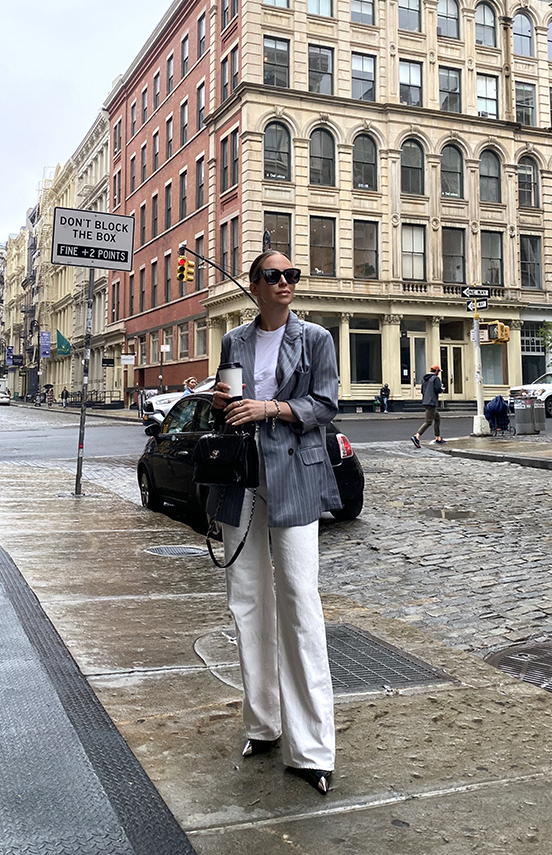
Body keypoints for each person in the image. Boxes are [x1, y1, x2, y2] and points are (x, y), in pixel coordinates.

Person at [210, 250, 341, 796]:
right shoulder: (235, 340)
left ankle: (312, 749)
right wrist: (223, 402)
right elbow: (226, 401)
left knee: (298, 600)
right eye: (274, 276)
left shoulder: (315, 339)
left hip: (295, 475)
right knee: (247, 600)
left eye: (292, 276)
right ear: (254, 284)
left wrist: (270, 410)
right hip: (241, 477)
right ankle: (261, 724)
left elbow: (326, 403)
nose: (285, 283)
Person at [410, 365, 446, 447]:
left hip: (426, 401)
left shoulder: (425, 379)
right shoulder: (435, 378)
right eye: (438, 371)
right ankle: (417, 436)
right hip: (431, 402)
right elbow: (437, 389)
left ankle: (438, 438)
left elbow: (422, 390)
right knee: (428, 422)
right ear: (436, 371)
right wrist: (442, 390)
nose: (439, 373)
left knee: (437, 418)